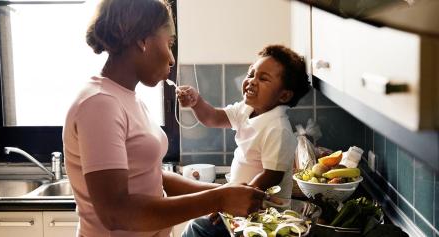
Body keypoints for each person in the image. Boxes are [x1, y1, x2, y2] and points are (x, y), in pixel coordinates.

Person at [62, 0, 265, 237]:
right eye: (169, 44)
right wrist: (218, 199)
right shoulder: (99, 104)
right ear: (142, 40)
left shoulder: (128, 98)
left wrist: (224, 191)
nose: (171, 58)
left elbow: (152, 175)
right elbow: (115, 212)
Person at [177, 45, 311, 237]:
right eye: (251, 74)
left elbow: (271, 175)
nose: (251, 81)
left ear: (284, 95)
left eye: (263, 78)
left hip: (262, 216)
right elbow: (213, 118)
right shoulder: (246, 109)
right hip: (240, 208)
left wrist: (231, 201)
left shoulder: (278, 128)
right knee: (198, 226)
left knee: (198, 228)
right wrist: (196, 103)